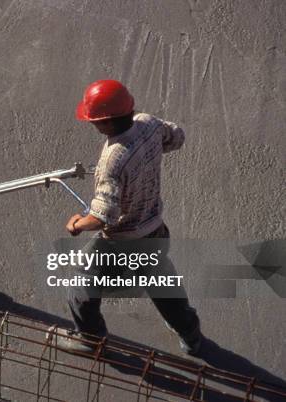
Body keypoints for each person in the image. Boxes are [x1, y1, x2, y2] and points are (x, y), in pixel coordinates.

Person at [48, 79, 203, 355]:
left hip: (123, 241)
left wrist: (76, 224)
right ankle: (190, 334)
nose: (92, 125)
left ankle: (90, 339)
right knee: (160, 280)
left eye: (94, 120)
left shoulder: (112, 160)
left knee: (81, 284)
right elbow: (176, 137)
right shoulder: (149, 123)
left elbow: (103, 217)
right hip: (155, 229)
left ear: (106, 123)